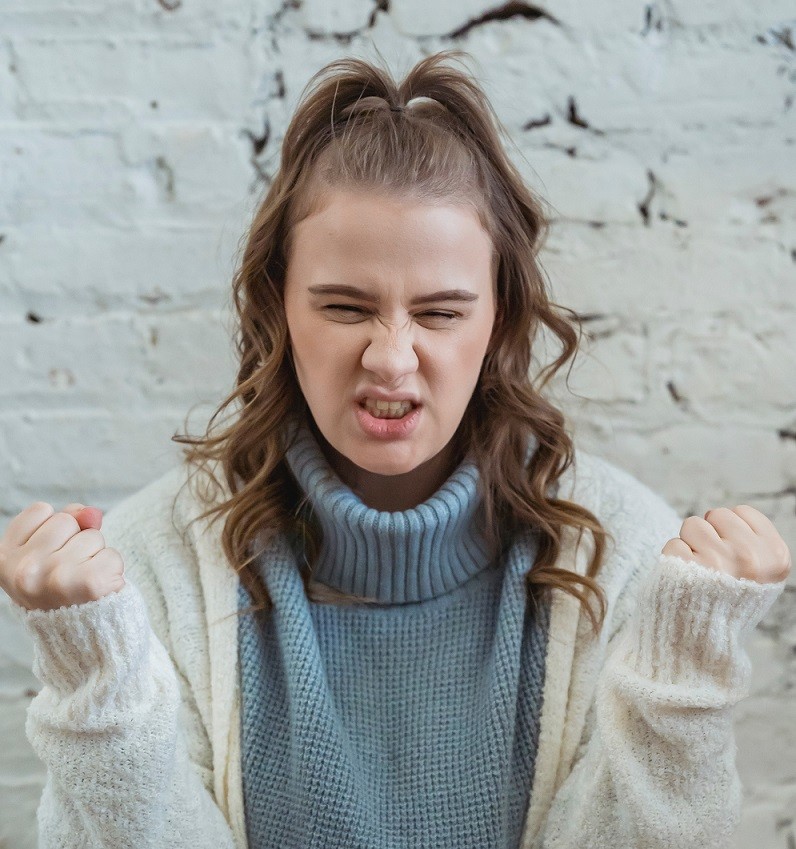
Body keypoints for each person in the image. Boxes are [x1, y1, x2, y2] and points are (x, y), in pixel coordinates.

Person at [0, 49, 790, 849]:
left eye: (442, 312)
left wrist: (680, 684)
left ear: (500, 317)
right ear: (278, 306)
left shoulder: (617, 550)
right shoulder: (151, 563)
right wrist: (98, 691)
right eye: (345, 307)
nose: (391, 357)